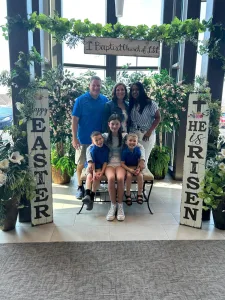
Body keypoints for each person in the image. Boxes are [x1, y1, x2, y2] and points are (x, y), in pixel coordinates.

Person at [86, 114, 145, 222]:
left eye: (117, 124)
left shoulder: (124, 136)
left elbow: (140, 146)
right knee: (111, 179)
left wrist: (142, 159)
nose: (114, 126)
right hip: (108, 163)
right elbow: (90, 147)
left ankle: (120, 205)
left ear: (120, 124)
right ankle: (113, 206)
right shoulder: (104, 136)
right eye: (112, 124)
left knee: (121, 178)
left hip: (120, 163)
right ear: (109, 124)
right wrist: (90, 162)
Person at [72, 76, 108, 199]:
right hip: (83, 138)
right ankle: (80, 187)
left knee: (97, 163)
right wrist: (74, 138)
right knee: (81, 163)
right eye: (94, 85)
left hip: (99, 141)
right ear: (89, 85)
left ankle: (93, 187)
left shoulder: (104, 100)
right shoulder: (81, 100)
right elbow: (74, 120)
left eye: (98, 85)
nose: (96, 87)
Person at [128, 81, 161, 164]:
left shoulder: (151, 104)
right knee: (133, 160)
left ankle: (143, 177)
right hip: (133, 134)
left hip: (146, 135)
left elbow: (158, 118)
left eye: (137, 89)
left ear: (141, 90)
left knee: (143, 161)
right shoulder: (131, 104)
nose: (134, 92)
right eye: (132, 90)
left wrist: (149, 131)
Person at [82, 131, 109, 211]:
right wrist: (93, 173)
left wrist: (102, 172)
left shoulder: (106, 149)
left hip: (100, 166)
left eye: (100, 139)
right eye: (96, 140)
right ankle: (87, 195)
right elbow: (92, 163)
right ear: (93, 142)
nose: (99, 141)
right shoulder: (93, 149)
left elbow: (105, 162)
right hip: (91, 166)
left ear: (103, 138)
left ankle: (91, 196)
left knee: (97, 177)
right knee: (90, 176)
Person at [121, 133, 144, 206]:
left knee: (140, 176)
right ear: (126, 142)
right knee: (129, 176)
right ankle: (128, 194)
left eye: (134, 141)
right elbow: (122, 164)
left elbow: (139, 161)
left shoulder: (138, 150)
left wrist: (138, 169)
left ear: (137, 143)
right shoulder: (124, 151)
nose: (132, 142)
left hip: (135, 166)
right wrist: (129, 170)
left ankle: (139, 194)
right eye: (130, 140)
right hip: (128, 167)